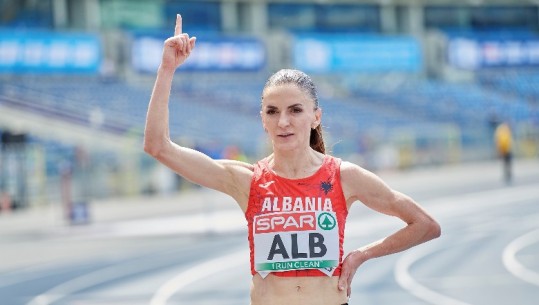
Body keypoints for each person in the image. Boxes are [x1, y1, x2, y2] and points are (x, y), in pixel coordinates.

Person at [144, 14, 441, 305]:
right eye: (273, 111)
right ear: (263, 119)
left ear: (316, 117)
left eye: (295, 110)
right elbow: (158, 146)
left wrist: (361, 255)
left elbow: (425, 225)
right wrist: (167, 68)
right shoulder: (247, 181)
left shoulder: (343, 177)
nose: (283, 121)